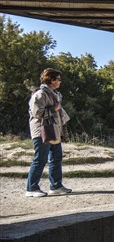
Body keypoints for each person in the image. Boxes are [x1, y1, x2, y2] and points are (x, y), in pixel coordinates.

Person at [25, 68, 72, 197]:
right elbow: (37, 113)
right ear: (52, 80)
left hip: (53, 131)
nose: (60, 82)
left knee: (56, 158)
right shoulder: (40, 94)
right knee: (40, 159)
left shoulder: (55, 94)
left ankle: (56, 186)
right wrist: (54, 108)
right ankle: (31, 188)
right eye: (58, 79)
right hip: (42, 131)